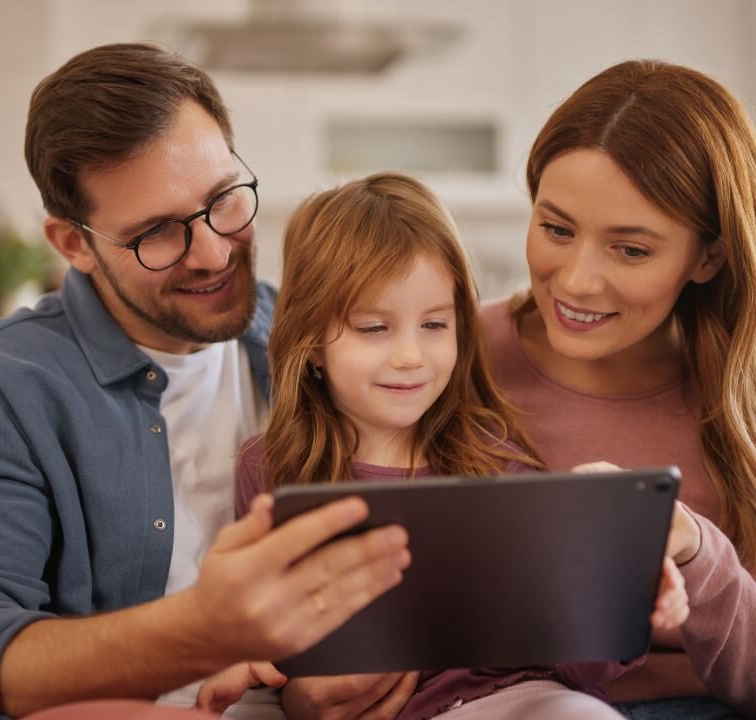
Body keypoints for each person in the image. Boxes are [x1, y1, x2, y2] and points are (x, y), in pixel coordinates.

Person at [0, 43, 413, 720]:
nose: (214, 252)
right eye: (157, 233)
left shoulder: (321, 339)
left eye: (223, 199)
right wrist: (201, 630)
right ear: (74, 244)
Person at [199, 172, 691, 719]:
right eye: (374, 328)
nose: (411, 356)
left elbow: (571, 659)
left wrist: (620, 605)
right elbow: (268, 638)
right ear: (312, 342)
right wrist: (261, 670)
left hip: (518, 700)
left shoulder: (495, 459)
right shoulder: (271, 471)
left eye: (434, 325)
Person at [479, 59, 756, 720]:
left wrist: (691, 546)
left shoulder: (742, 394)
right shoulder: (446, 357)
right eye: (556, 229)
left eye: (630, 250)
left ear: (709, 256)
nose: (576, 281)